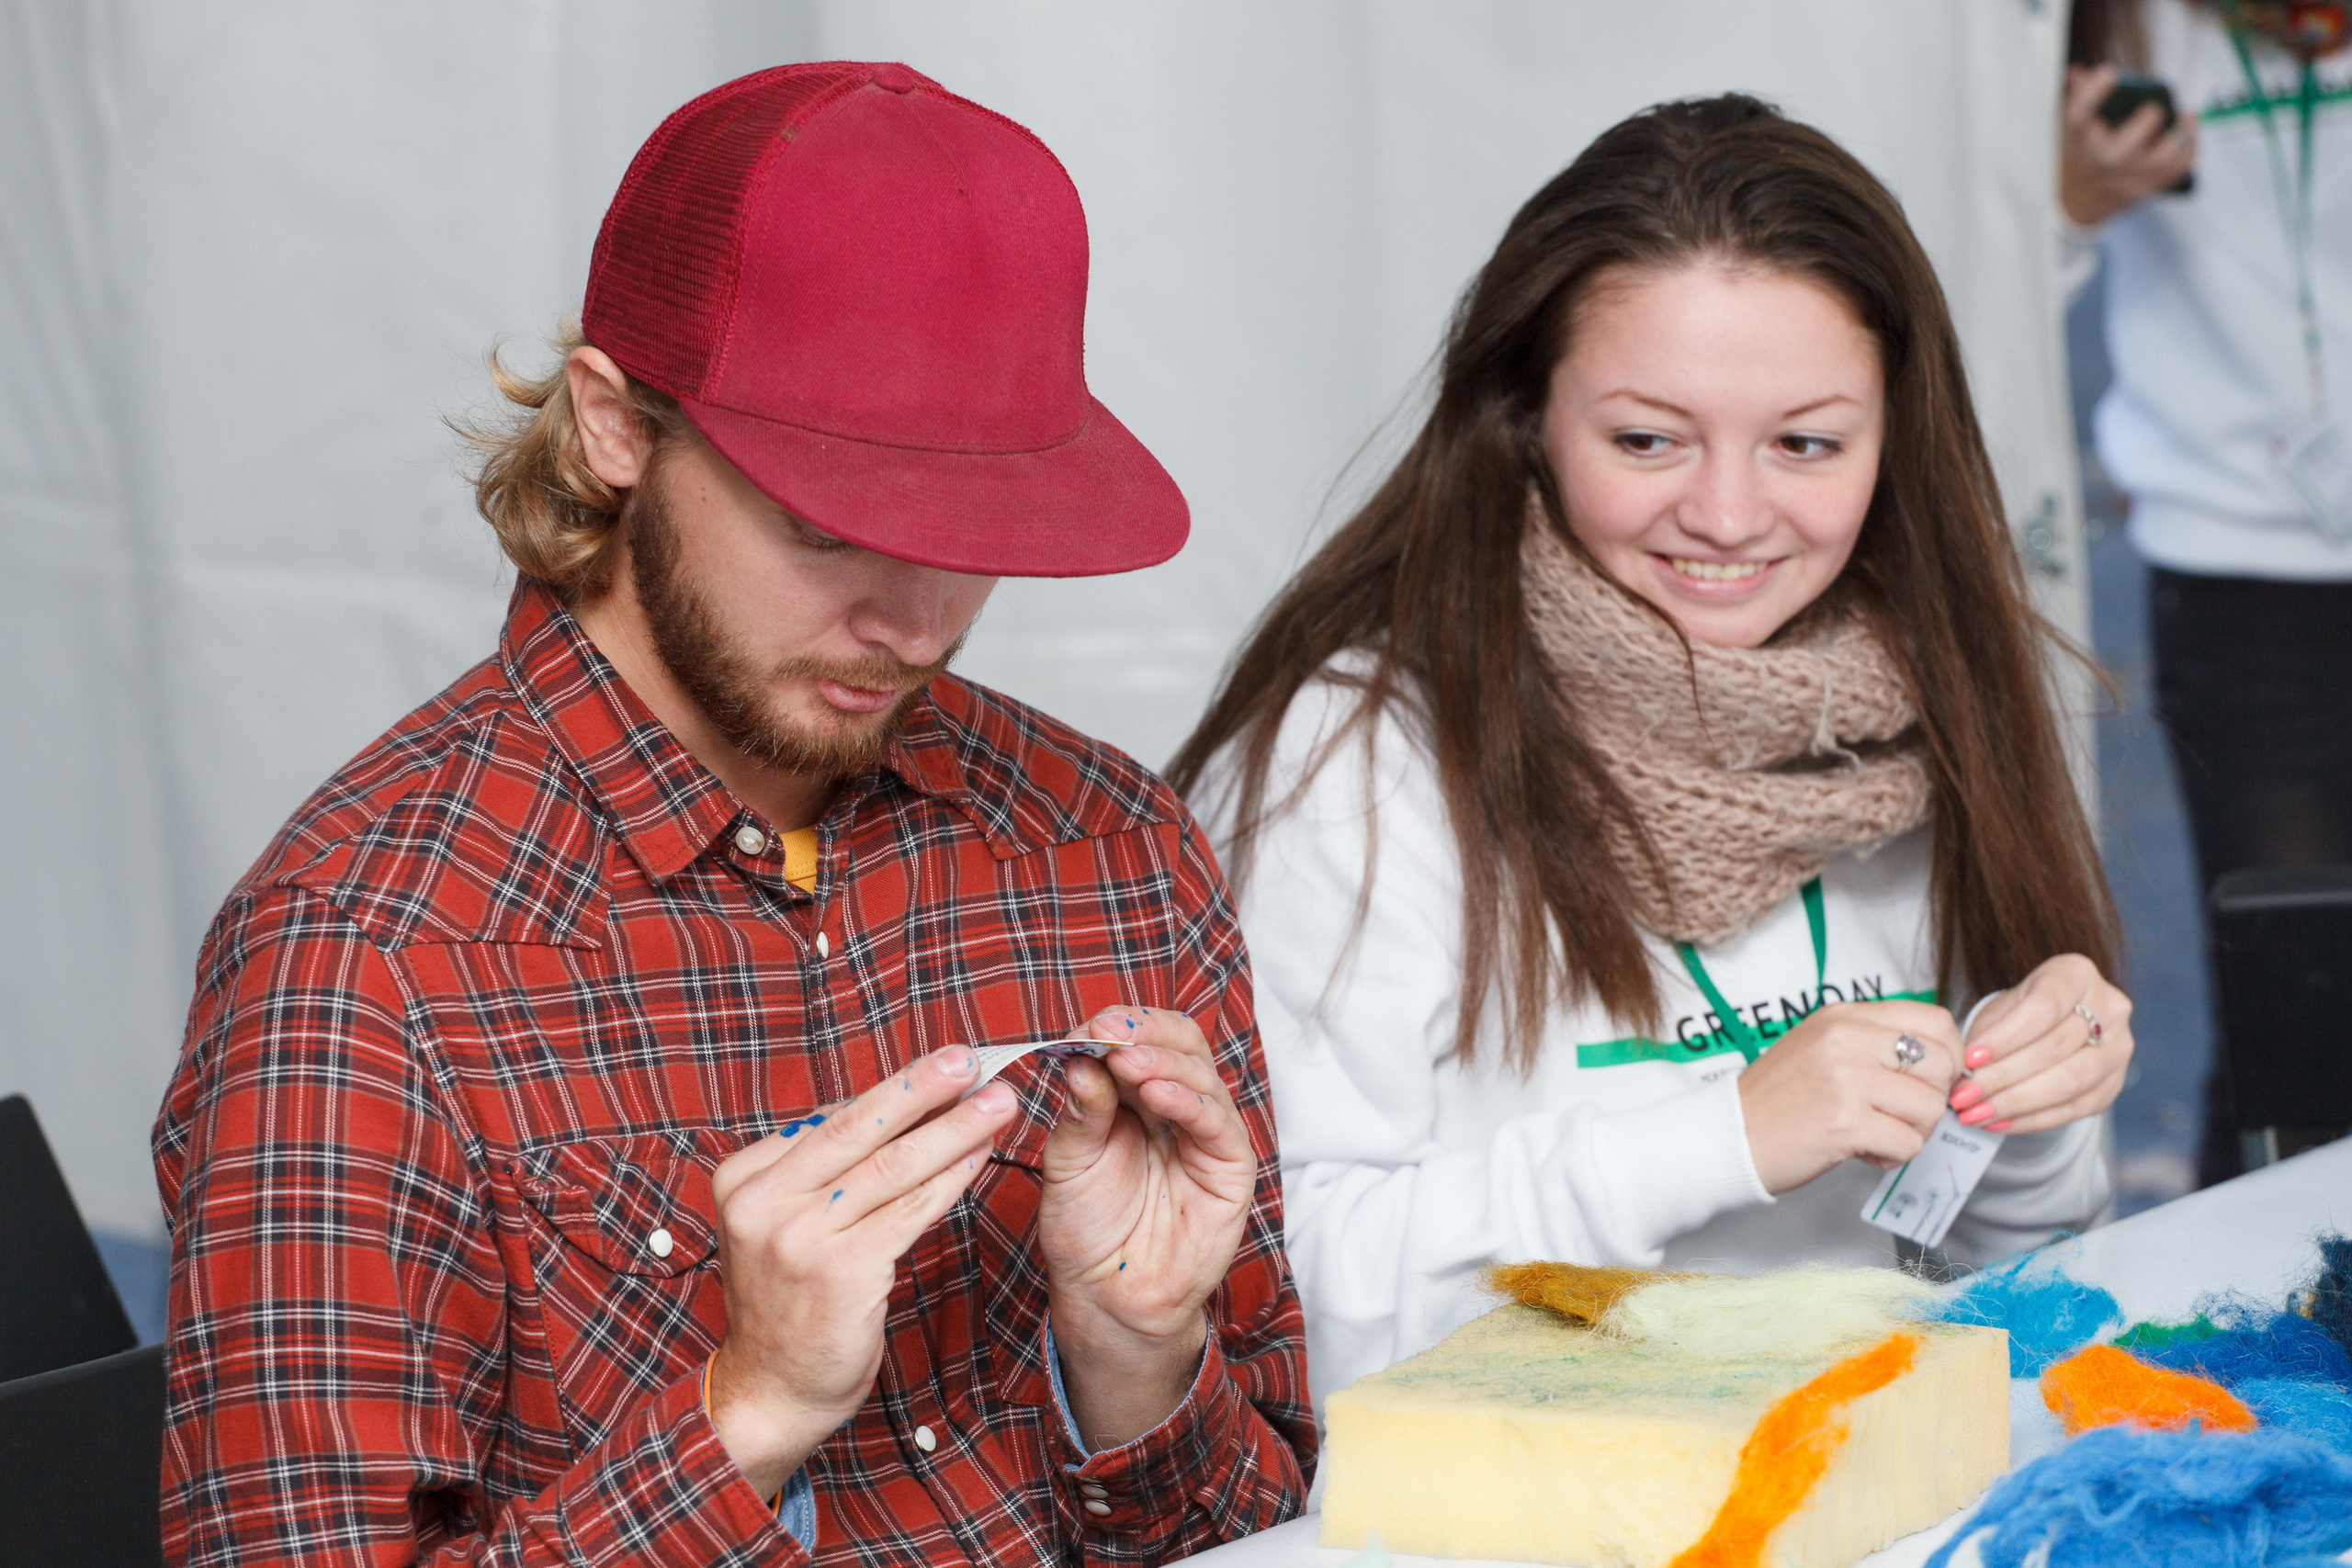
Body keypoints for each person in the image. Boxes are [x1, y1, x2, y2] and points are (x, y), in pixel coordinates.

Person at [153, 62, 1310, 1567]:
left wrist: (1138, 1363)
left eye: (974, 535)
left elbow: (1282, 1527)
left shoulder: (1108, 846)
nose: (914, 626)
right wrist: (745, 1414)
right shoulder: (364, 958)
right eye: (826, 528)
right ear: (615, 426)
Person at [1169, 95, 2135, 1406]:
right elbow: (1276, 1309)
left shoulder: (1931, 702)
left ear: (1894, 442)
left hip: (1866, 1470)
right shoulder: (1350, 764)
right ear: (1524, 419)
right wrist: (1725, 1139)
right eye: (1647, 440)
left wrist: (2024, 1111)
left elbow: (1996, 1278)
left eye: (1806, 443)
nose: (1729, 516)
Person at [2061, 0, 2352, 1184]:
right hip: (2236, 566)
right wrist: (2070, 201)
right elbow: (1975, 273)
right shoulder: (2116, 28)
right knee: (2294, 1012)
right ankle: (2270, 1297)